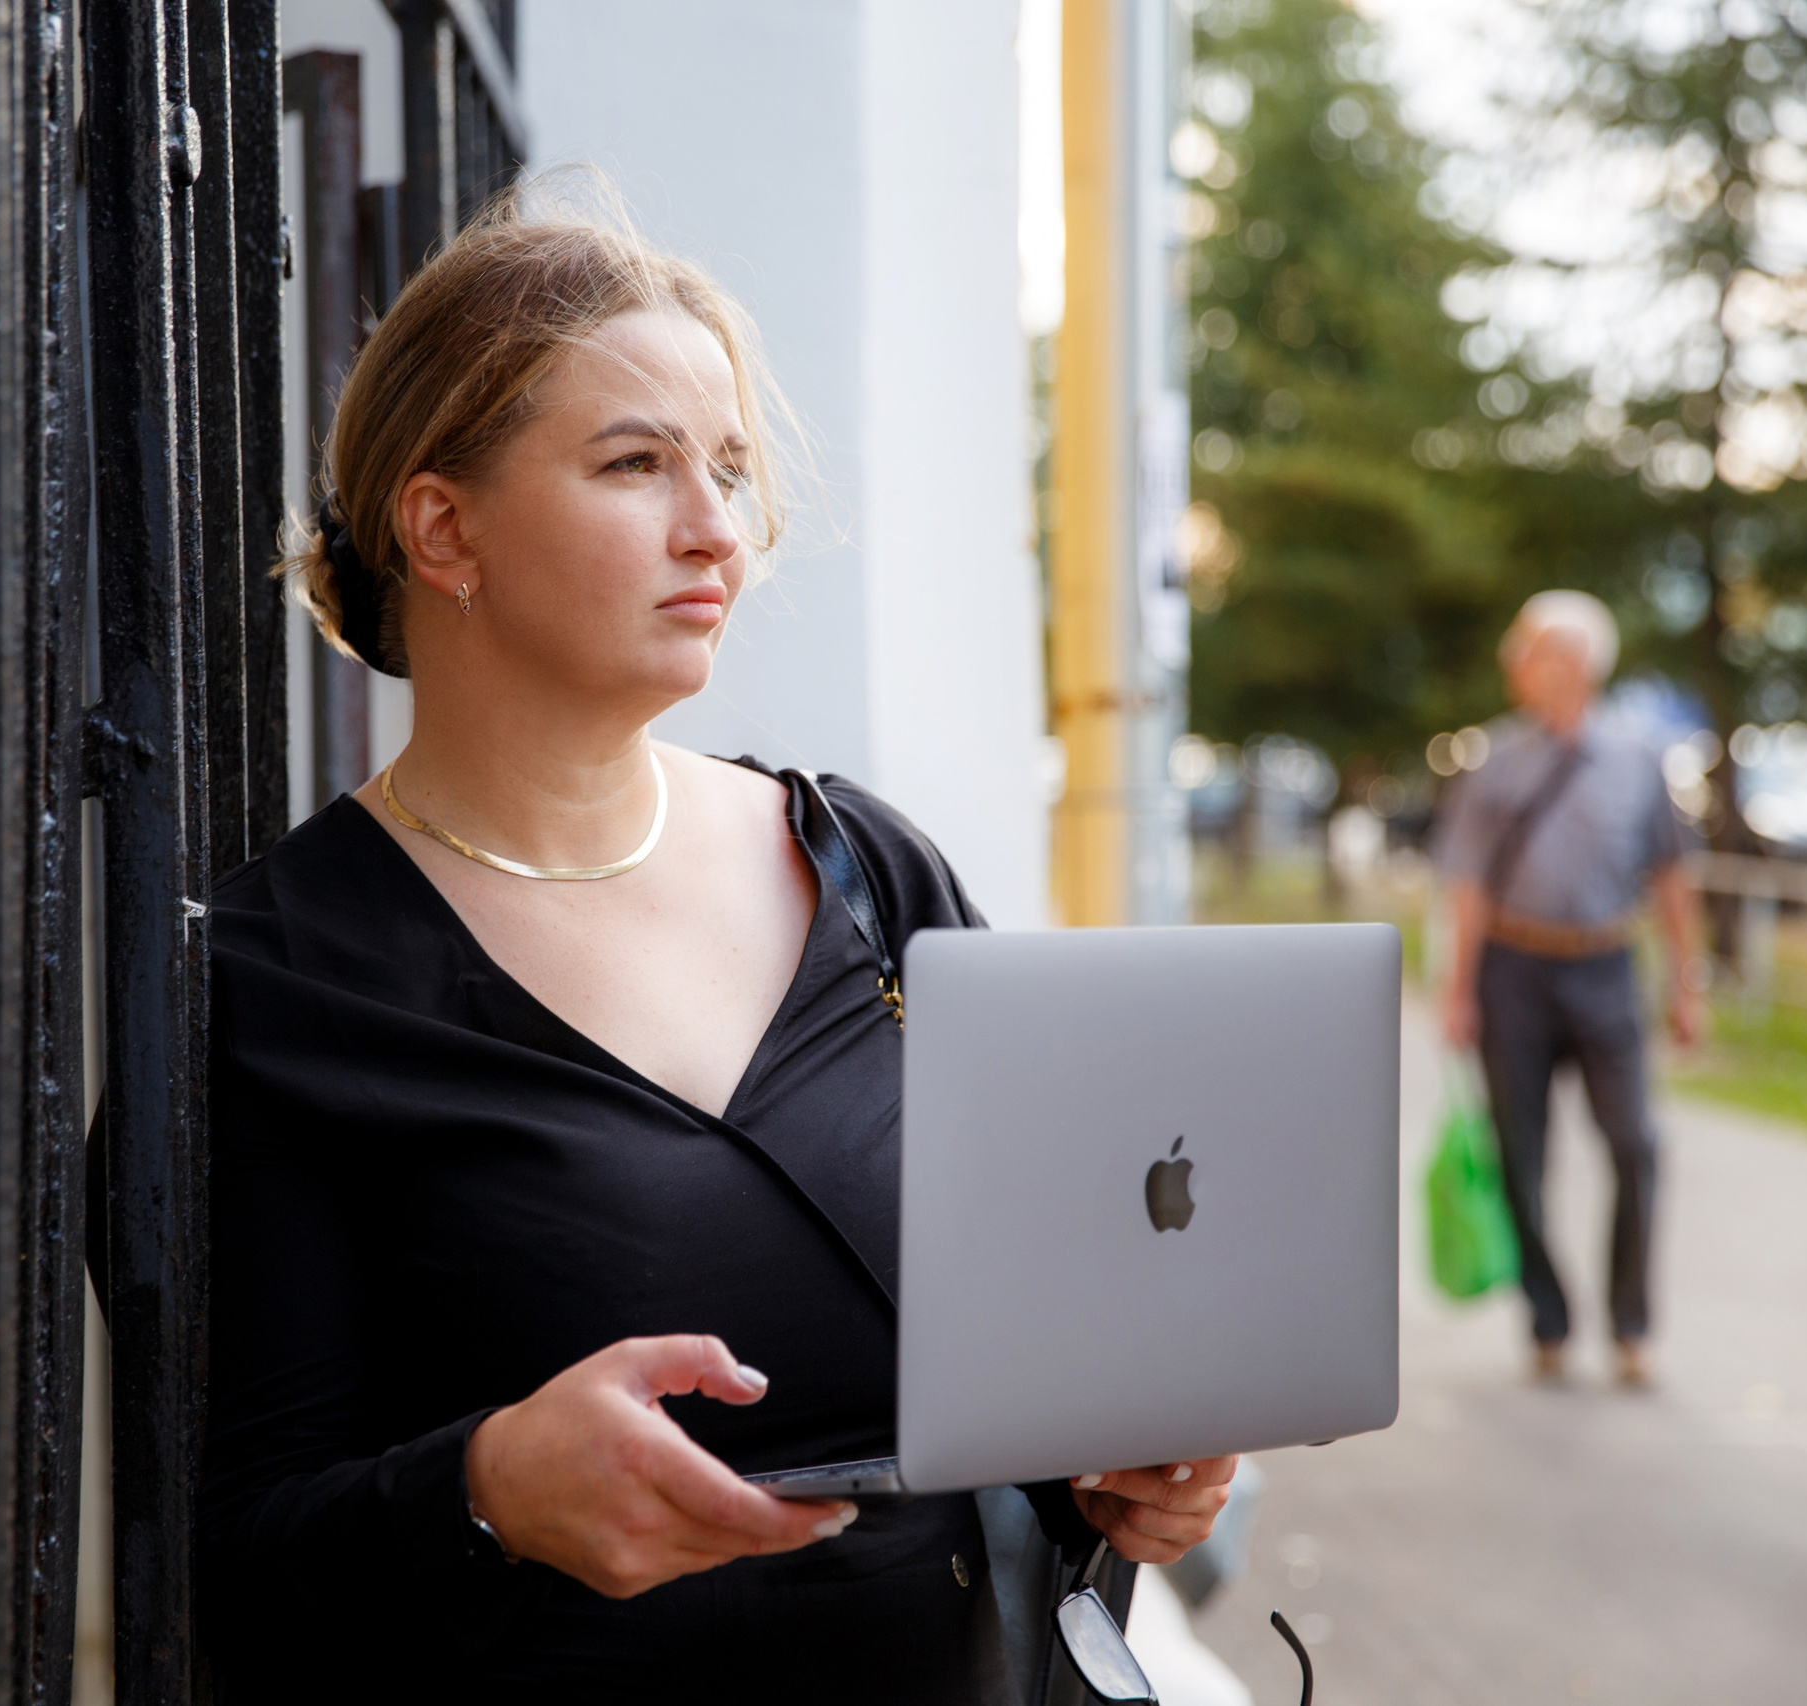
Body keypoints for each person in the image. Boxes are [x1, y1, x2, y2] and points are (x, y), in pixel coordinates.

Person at [197, 189, 1234, 1701]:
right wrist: (486, 1489)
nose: (716, 530)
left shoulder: (863, 867)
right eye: (636, 463)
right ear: (443, 526)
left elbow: (1058, 1330)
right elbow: (233, 1567)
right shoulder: (277, 977)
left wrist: (1126, 1459)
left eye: (731, 470)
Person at [1436, 591, 1704, 1389]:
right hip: (1514, 970)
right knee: (1520, 1154)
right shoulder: (1494, 760)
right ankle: (1548, 1318)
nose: (1516, 663)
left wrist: (1686, 987)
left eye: (1530, 649)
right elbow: (1466, 884)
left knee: (1635, 1144)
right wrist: (1458, 990)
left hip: (1605, 968)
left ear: (1577, 662)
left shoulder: (1637, 759)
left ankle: (1631, 1326)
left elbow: (1671, 879)